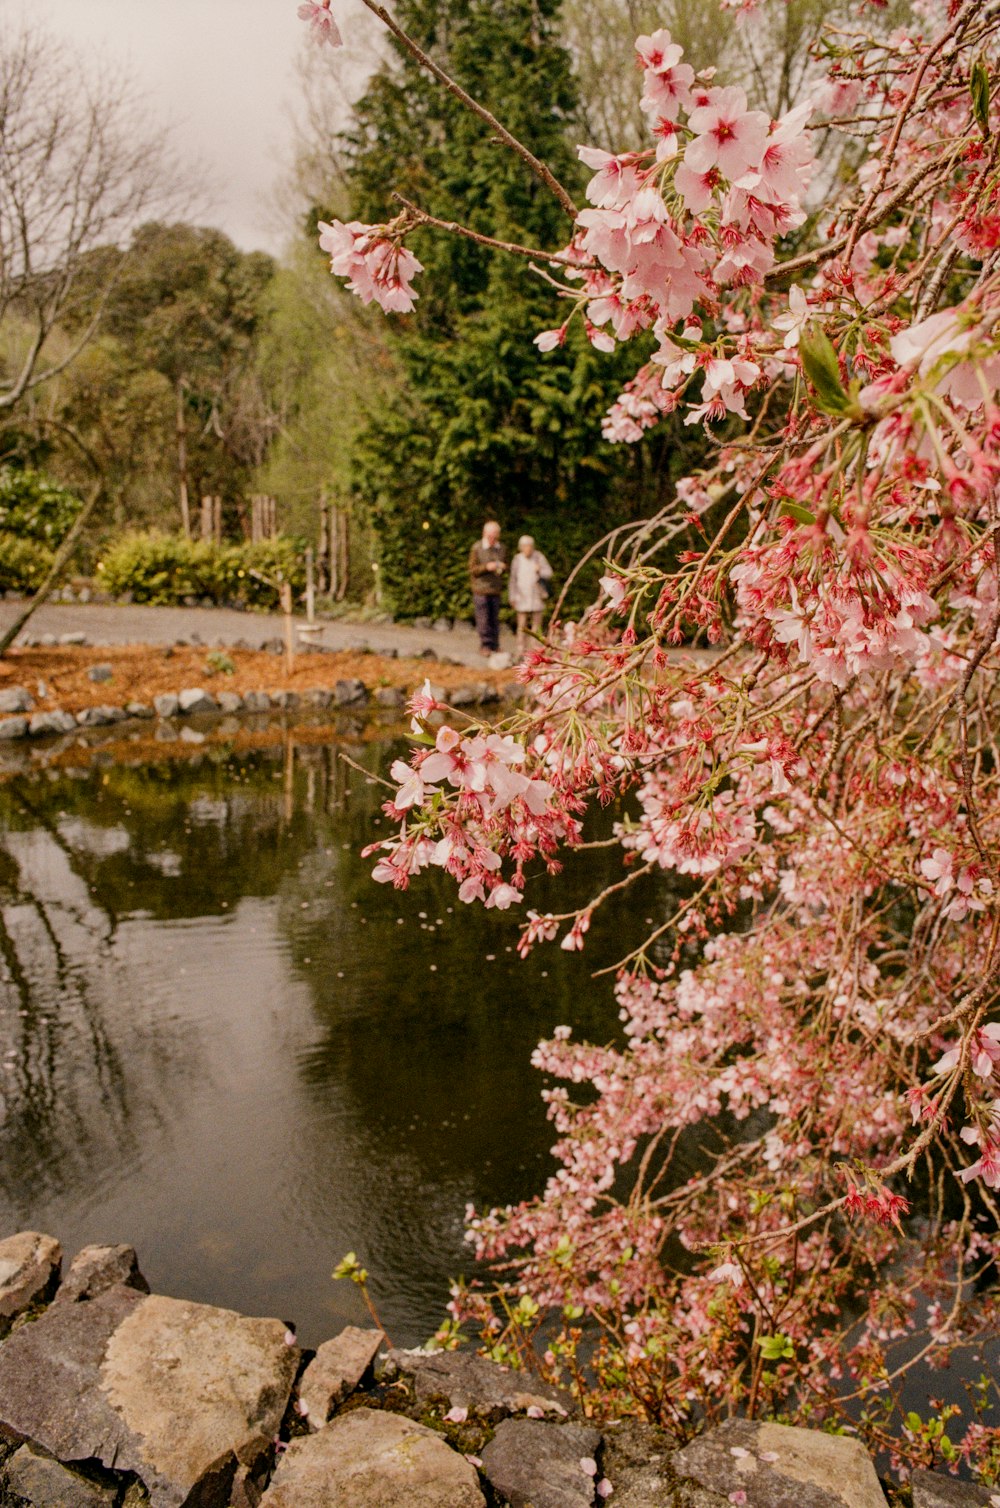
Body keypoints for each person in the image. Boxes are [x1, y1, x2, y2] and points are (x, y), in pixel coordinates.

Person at [508, 535, 552, 657]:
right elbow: (513, 579)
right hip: (522, 596)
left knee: (536, 625)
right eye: (525, 546)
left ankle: (535, 650)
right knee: (522, 625)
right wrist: (512, 596)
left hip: (536, 596)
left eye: (529, 546)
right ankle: (520, 649)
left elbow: (549, 572)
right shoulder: (517, 559)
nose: (527, 549)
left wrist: (540, 571)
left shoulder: (538, 557)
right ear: (521, 548)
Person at [468, 521, 507, 655]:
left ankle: (495, 645)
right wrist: (486, 567)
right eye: (490, 536)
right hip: (481, 589)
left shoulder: (501, 548)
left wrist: (501, 567)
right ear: (484, 534)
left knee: (494, 619)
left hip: (495, 589)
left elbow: (506, 565)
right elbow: (472, 569)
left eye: (495, 536)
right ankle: (485, 645)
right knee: (483, 619)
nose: (492, 539)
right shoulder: (477, 548)